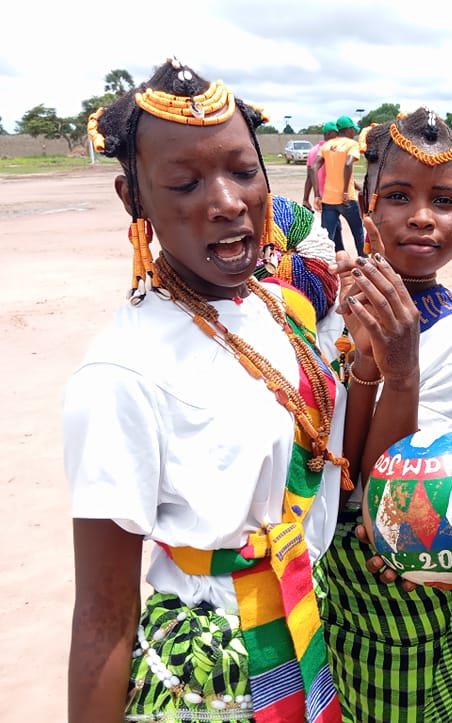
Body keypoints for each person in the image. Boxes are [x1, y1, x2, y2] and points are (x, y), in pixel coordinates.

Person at [67, 58, 417, 723]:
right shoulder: (123, 372)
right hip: (210, 672)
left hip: (306, 629)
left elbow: (340, 480)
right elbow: (103, 621)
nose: (227, 201)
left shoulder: (288, 312)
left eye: (242, 171)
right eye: (185, 181)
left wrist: (393, 367)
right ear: (132, 199)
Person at [317, 108, 452, 722]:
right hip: (319, 575)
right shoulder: (326, 302)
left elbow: (381, 487)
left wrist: (399, 370)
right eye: (399, 197)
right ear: (367, 213)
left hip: (395, 587)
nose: (422, 216)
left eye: (443, 200)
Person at [317, 115, 366, 257]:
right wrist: (345, 192)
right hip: (347, 199)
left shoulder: (327, 145)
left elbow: (314, 167)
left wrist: (316, 195)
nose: (355, 133)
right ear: (349, 129)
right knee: (358, 233)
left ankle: (323, 267)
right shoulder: (352, 144)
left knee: (327, 239)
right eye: (354, 130)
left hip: (328, 199)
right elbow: (348, 164)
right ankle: (364, 264)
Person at [304, 121, 343, 250]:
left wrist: (306, 198)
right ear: (330, 134)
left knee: (334, 225)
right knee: (329, 230)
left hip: (321, 196)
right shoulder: (334, 150)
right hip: (332, 195)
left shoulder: (313, 150)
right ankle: (326, 256)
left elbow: (309, 176)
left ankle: (339, 251)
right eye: (337, 134)